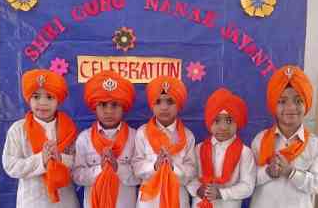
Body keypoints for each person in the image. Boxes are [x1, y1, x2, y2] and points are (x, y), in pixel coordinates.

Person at [2, 69, 79, 207]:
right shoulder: (18, 129)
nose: (42, 102)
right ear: (28, 99)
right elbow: (10, 166)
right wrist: (41, 160)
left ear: (58, 100)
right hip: (32, 200)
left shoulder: (69, 129)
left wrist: (61, 159)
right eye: (36, 97)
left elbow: (78, 164)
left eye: (49, 97)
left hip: (65, 200)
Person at [250, 65, 318, 208]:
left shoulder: (314, 145)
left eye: (298, 100)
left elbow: (316, 185)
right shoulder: (260, 140)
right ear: (273, 104)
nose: (291, 107)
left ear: (307, 103)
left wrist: (291, 172)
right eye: (282, 101)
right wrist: (267, 172)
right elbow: (247, 180)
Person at [74, 70, 139, 207]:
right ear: (94, 107)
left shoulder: (135, 137)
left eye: (115, 105)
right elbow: (77, 176)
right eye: (103, 105)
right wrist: (100, 169)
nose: (109, 111)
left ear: (124, 107)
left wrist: (117, 168)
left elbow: (139, 177)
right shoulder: (84, 138)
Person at [133, 76, 196, 208]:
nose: (164, 107)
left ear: (178, 104)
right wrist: (155, 166)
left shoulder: (187, 136)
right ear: (152, 105)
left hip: (178, 198)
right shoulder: (142, 133)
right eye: (158, 101)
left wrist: (173, 168)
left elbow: (191, 171)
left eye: (170, 101)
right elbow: (136, 167)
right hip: (149, 200)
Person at [186, 88, 255, 208]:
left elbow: (248, 186)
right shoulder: (198, 149)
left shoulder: (245, 152)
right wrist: (198, 190)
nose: (223, 127)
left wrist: (221, 193)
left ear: (237, 122)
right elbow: (189, 177)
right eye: (217, 120)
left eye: (229, 120)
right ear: (209, 122)